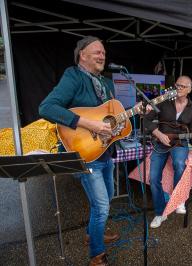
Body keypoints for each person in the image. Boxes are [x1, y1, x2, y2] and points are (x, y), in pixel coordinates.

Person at [39, 36, 145, 266]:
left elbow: (111, 118)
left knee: (105, 201)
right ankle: (97, 255)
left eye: (104, 52)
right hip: (85, 154)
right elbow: (46, 107)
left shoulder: (105, 83)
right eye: (97, 51)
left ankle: (92, 234)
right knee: (102, 206)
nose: (102, 55)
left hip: (105, 152)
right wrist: (90, 124)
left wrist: (134, 112)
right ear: (82, 55)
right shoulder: (73, 76)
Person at [144, 75, 192, 228]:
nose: (179, 88)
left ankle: (178, 200)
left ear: (189, 89)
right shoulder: (164, 101)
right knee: (153, 177)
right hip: (161, 142)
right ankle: (160, 213)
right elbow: (146, 120)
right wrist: (159, 135)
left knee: (179, 164)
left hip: (179, 142)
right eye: (177, 85)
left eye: (183, 86)